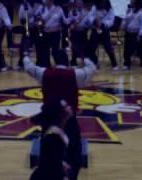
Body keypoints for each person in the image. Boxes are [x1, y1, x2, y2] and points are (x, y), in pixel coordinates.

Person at [24, 49, 97, 180]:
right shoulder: (76, 74)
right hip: (70, 121)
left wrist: (26, 56)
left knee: (48, 156)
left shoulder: (44, 73)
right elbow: (91, 69)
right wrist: (84, 57)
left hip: (49, 120)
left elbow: (29, 67)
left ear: (54, 60)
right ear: (67, 60)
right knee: (74, 155)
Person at [30, 99, 73, 180]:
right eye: (66, 106)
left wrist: (62, 163)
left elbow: (52, 159)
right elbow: (49, 165)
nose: (69, 107)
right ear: (59, 113)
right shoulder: (53, 137)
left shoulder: (58, 128)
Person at [34, 0, 69, 68]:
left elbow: (65, 21)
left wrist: (72, 19)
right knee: (45, 51)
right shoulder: (42, 9)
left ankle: (59, 65)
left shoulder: (58, 9)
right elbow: (37, 18)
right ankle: (47, 66)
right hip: (45, 33)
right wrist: (38, 23)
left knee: (55, 51)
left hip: (55, 34)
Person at [88, 0, 119, 70]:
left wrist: (103, 24)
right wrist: (94, 21)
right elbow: (90, 16)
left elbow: (111, 21)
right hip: (95, 29)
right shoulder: (95, 7)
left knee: (108, 47)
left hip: (104, 29)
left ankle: (114, 64)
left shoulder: (110, 9)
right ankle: (94, 63)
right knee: (92, 47)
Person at [121, 0, 142, 71]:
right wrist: (123, 25)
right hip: (128, 32)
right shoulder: (129, 10)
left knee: (141, 50)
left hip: (137, 33)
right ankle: (127, 64)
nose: (131, 1)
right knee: (127, 49)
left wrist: (140, 34)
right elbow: (125, 20)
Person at [69, 0, 96, 66]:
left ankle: (86, 61)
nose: (79, 5)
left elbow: (89, 23)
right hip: (75, 32)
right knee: (74, 47)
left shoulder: (86, 12)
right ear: (75, 4)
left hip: (83, 32)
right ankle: (73, 62)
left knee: (84, 47)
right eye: (78, 3)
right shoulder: (72, 12)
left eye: (80, 3)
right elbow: (70, 21)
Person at [18, 0, 43, 69]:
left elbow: (42, 18)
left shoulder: (39, 5)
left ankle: (40, 63)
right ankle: (21, 63)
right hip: (27, 28)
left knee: (39, 46)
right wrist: (26, 21)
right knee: (24, 46)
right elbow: (21, 19)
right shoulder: (23, 6)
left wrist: (38, 21)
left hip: (37, 29)